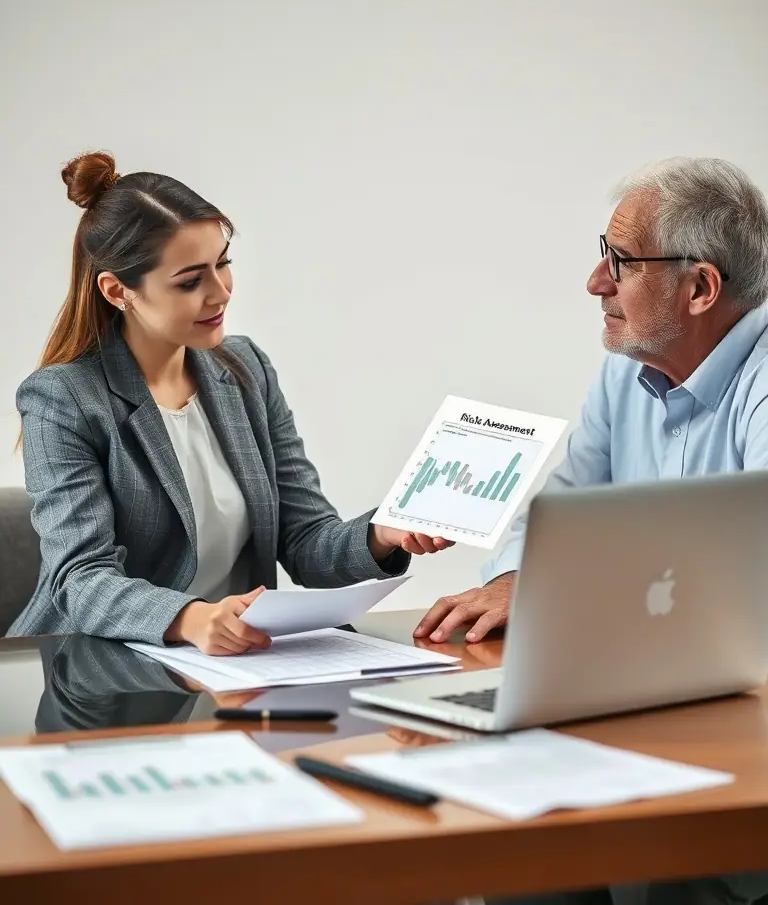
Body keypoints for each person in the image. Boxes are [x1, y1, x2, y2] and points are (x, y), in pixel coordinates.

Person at [414, 156, 768, 905]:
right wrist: (519, 579)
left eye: (620, 261)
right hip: (647, 696)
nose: (595, 282)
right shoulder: (628, 367)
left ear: (701, 287)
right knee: (514, 853)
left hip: (742, 725)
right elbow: (564, 507)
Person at [9, 151, 451, 654]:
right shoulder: (62, 399)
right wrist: (191, 619)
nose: (220, 293)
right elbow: (80, 581)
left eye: (223, 265)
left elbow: (306, 541)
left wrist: (382, 533)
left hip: (236, 666)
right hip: (97, 668)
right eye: (190, 281)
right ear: (117, 291)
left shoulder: (245, 370)